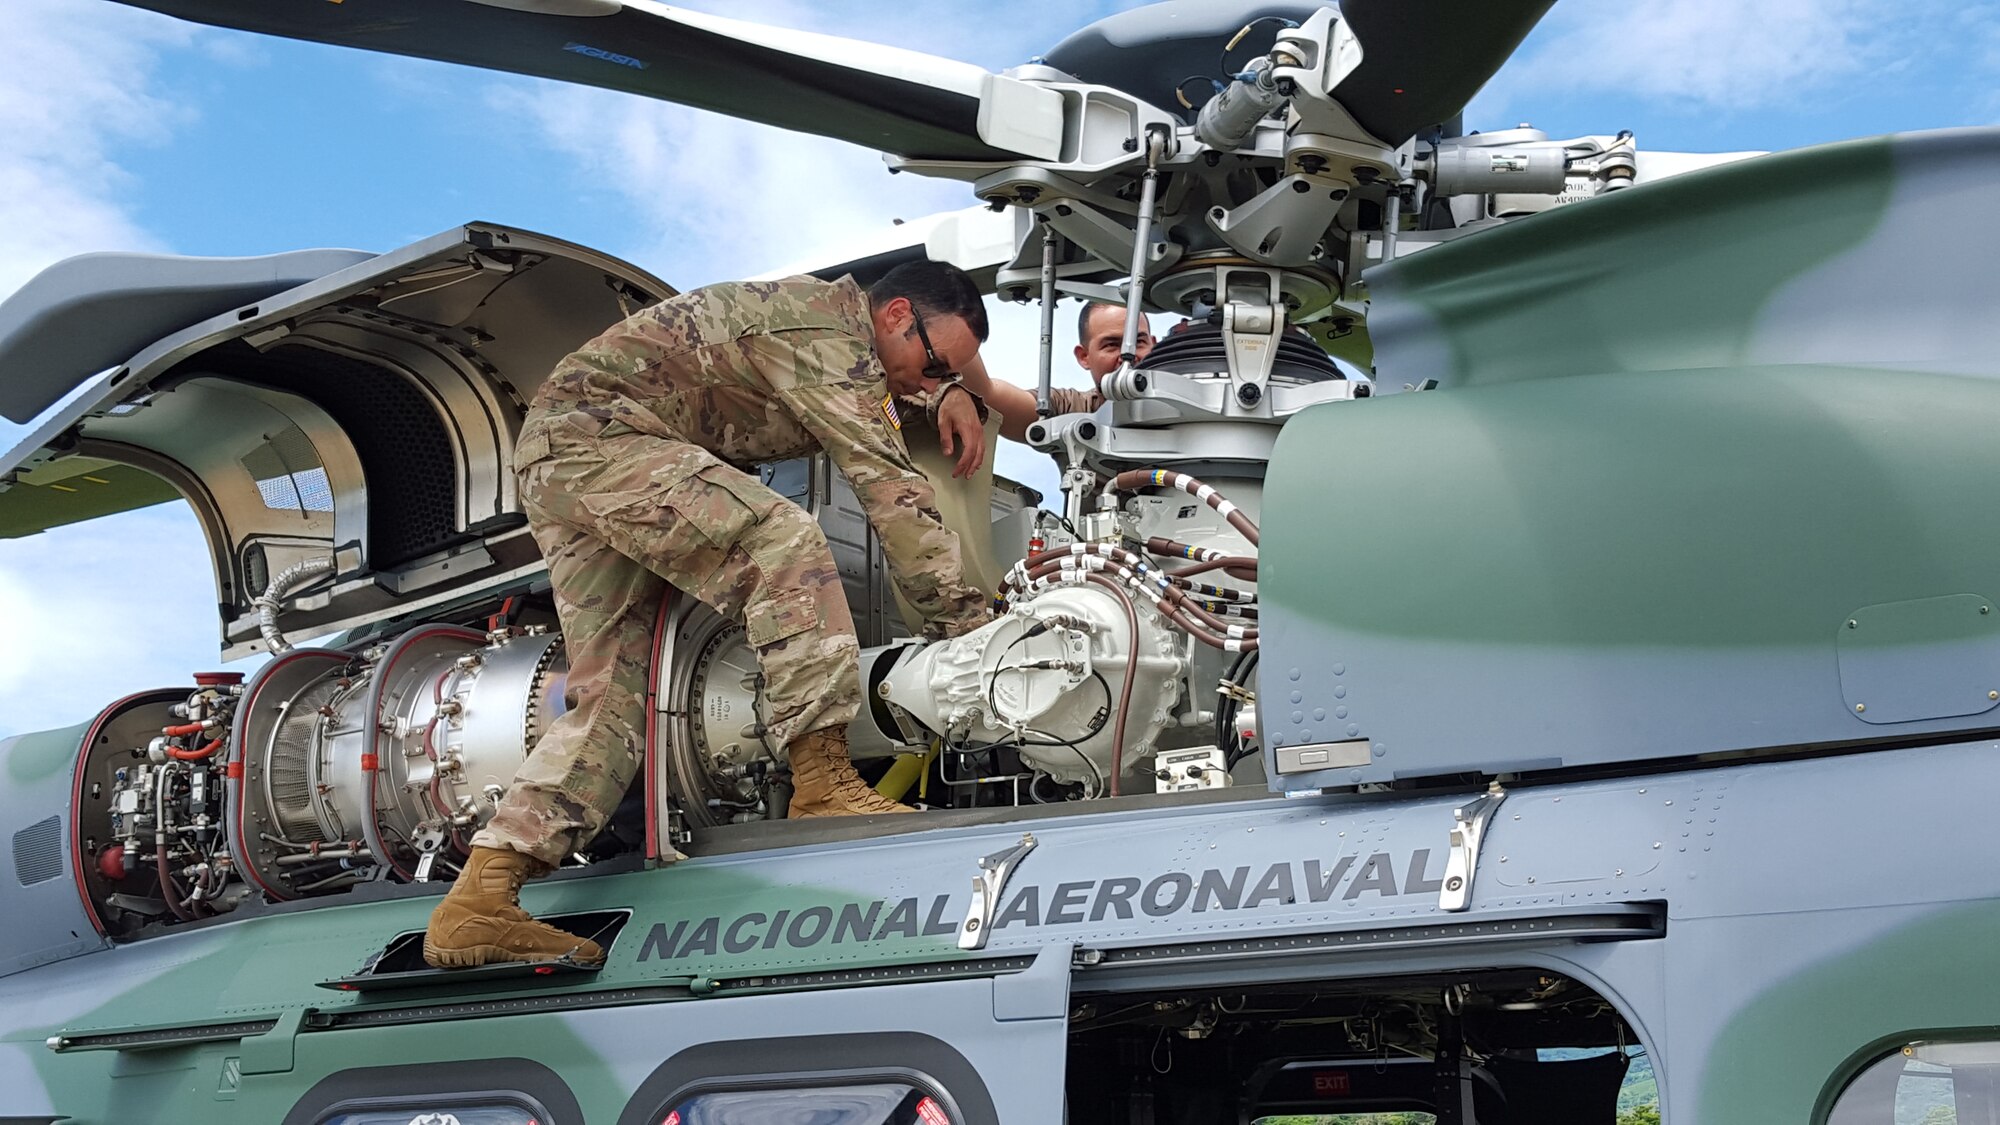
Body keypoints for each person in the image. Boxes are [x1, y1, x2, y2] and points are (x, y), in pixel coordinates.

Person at [424, 262, 995, 969]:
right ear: (893, 313)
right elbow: (888, 487)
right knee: (780, 540)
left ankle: (481, 895)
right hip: (601, 437)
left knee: (615, 694)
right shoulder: (825, 331)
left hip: (565, 451)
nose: (923, 380)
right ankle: (822, 784)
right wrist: (971, 626)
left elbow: (899, 400)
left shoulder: (853, 348)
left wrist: (947, 392)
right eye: (931, 362)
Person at [956, 301, 1154, 442]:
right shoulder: (1070, 407)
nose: (1128, 355)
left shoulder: (1184, 396)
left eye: (1139, 342)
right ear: (1084, 357)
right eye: (1111, 345)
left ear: (1154, 344)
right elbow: (988, 394)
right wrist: (948, 324)